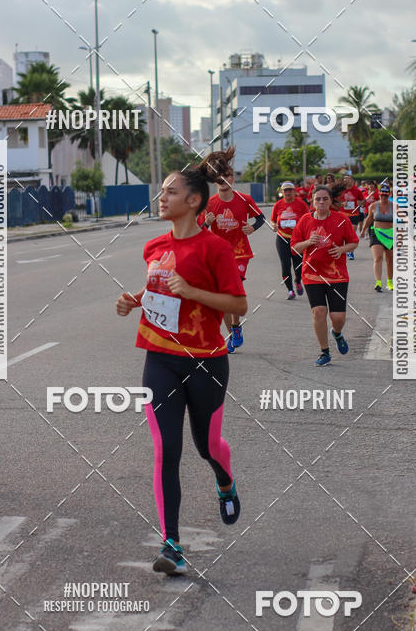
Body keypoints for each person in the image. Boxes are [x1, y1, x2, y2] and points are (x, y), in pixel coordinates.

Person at [116, 155, 247, 576]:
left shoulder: (216, 249)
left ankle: (224, 482)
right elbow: (158, 286)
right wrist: (133, 299)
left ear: (193, 201)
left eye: (171, 191)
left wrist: (192, 290)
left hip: (206, 361)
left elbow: (238, 304)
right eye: (162, 190)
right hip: (160, 359)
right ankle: (171, 543)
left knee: (207, 446)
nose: (162, 197)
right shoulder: (154, 246)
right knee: (165, 448)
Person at [197, 147, 265, 353]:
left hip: (241, 252)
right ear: (215, 181)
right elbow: (198, 231)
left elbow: (261, 218)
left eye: (227, 176)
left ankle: (235, 328)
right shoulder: (209, 204)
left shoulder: (244, 200)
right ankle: (234, 331)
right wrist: (207, 224)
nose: (224, 181)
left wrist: (252, 227)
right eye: (220, 177)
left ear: (232, 179)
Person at [291, 185, 359, 366]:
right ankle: (325, 352)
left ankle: (336, 333)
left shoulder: (341, 220)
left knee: (338, 318)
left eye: (325, 199)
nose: (321, 202)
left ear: (330, 201)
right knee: (319, 312)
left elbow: (353, 242)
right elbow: (294, 247)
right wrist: (308, 242)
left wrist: (342, 249)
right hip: (312, 275)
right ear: (312, 202)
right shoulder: (305, 220)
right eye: (318, 199)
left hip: (337, 275)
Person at [270, 182, 309, 299]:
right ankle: (290, 290)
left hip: (297, 240)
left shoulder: (301, 204)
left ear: (294, 191)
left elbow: (308, 219)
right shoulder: (278, 205)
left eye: (290, 190)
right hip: (282, 238)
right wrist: (274, 225)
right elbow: (273, 220)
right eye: (285, 190)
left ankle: (298, 280)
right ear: (282, 192)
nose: (287, 193)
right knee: (285, 265)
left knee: (298, 265)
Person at [361, 181, 394, 291]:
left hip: (390, 234)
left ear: (389, 195)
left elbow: (402, 219)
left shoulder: (394, 206)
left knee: (390, 260)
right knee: (378, 258)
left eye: (386, 195)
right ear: (379, 194)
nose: (384, 197)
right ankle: (378, 282)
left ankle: (390, 282)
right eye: (382, 194)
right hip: (376, 233)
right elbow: (369, 219)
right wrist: (363, 230)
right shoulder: (373, 206)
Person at [339, 175, 364, 259]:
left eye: (348, 179)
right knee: (342, 234)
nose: (347, 181)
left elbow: (363, 201)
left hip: (354, 214)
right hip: (342, 214)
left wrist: (360, 202)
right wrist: (342, 204)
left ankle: (350, 252)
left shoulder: (357, 190)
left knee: (352, 232)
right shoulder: (340, 190)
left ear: (352, 181)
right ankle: (343, 250)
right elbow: (334, 202)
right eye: (345, 179)